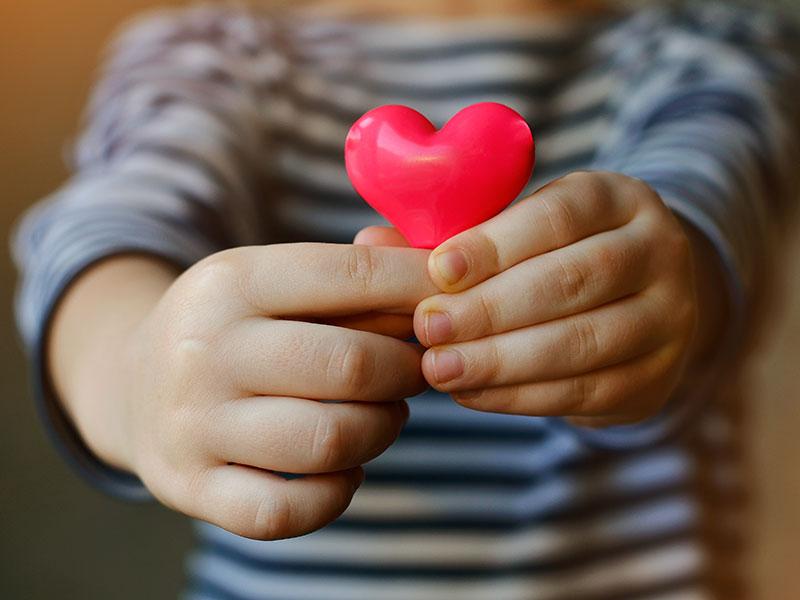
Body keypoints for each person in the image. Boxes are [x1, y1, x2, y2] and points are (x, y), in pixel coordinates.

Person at [11, 0, 800, 598]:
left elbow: (713, 196)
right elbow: (105, 233)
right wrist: (135, 364)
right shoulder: (211, 56)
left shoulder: (716, 45)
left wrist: (661, 295)